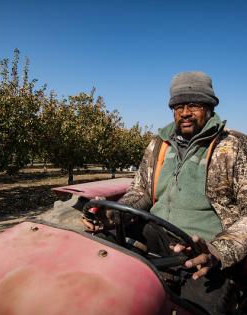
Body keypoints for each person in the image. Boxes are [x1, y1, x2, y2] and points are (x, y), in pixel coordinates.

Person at [82, 72, 247, 314]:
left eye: (194, 105)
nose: (185, 112)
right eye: (178, 106)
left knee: (198, 308)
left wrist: (218, 250)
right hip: (158, 232)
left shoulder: (234, 146)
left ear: (210, 107)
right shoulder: (159, 144)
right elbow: (141, 191)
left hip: (205, 249)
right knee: (98, 257)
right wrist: (111, 215)